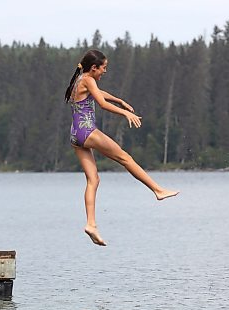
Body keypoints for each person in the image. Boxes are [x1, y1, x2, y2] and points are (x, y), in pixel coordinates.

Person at [64, 49, 179, 247]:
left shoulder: (79, 79)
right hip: (87, 131)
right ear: (94, 68)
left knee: (93, 179)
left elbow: (99, 93)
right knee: (125, 158)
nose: (104, 72)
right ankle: (158, 190)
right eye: (103, 68)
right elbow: (100, 102)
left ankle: (91, 224)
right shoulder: (88, 79)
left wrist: (119, 99)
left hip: (76, 135)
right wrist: (125, 113)